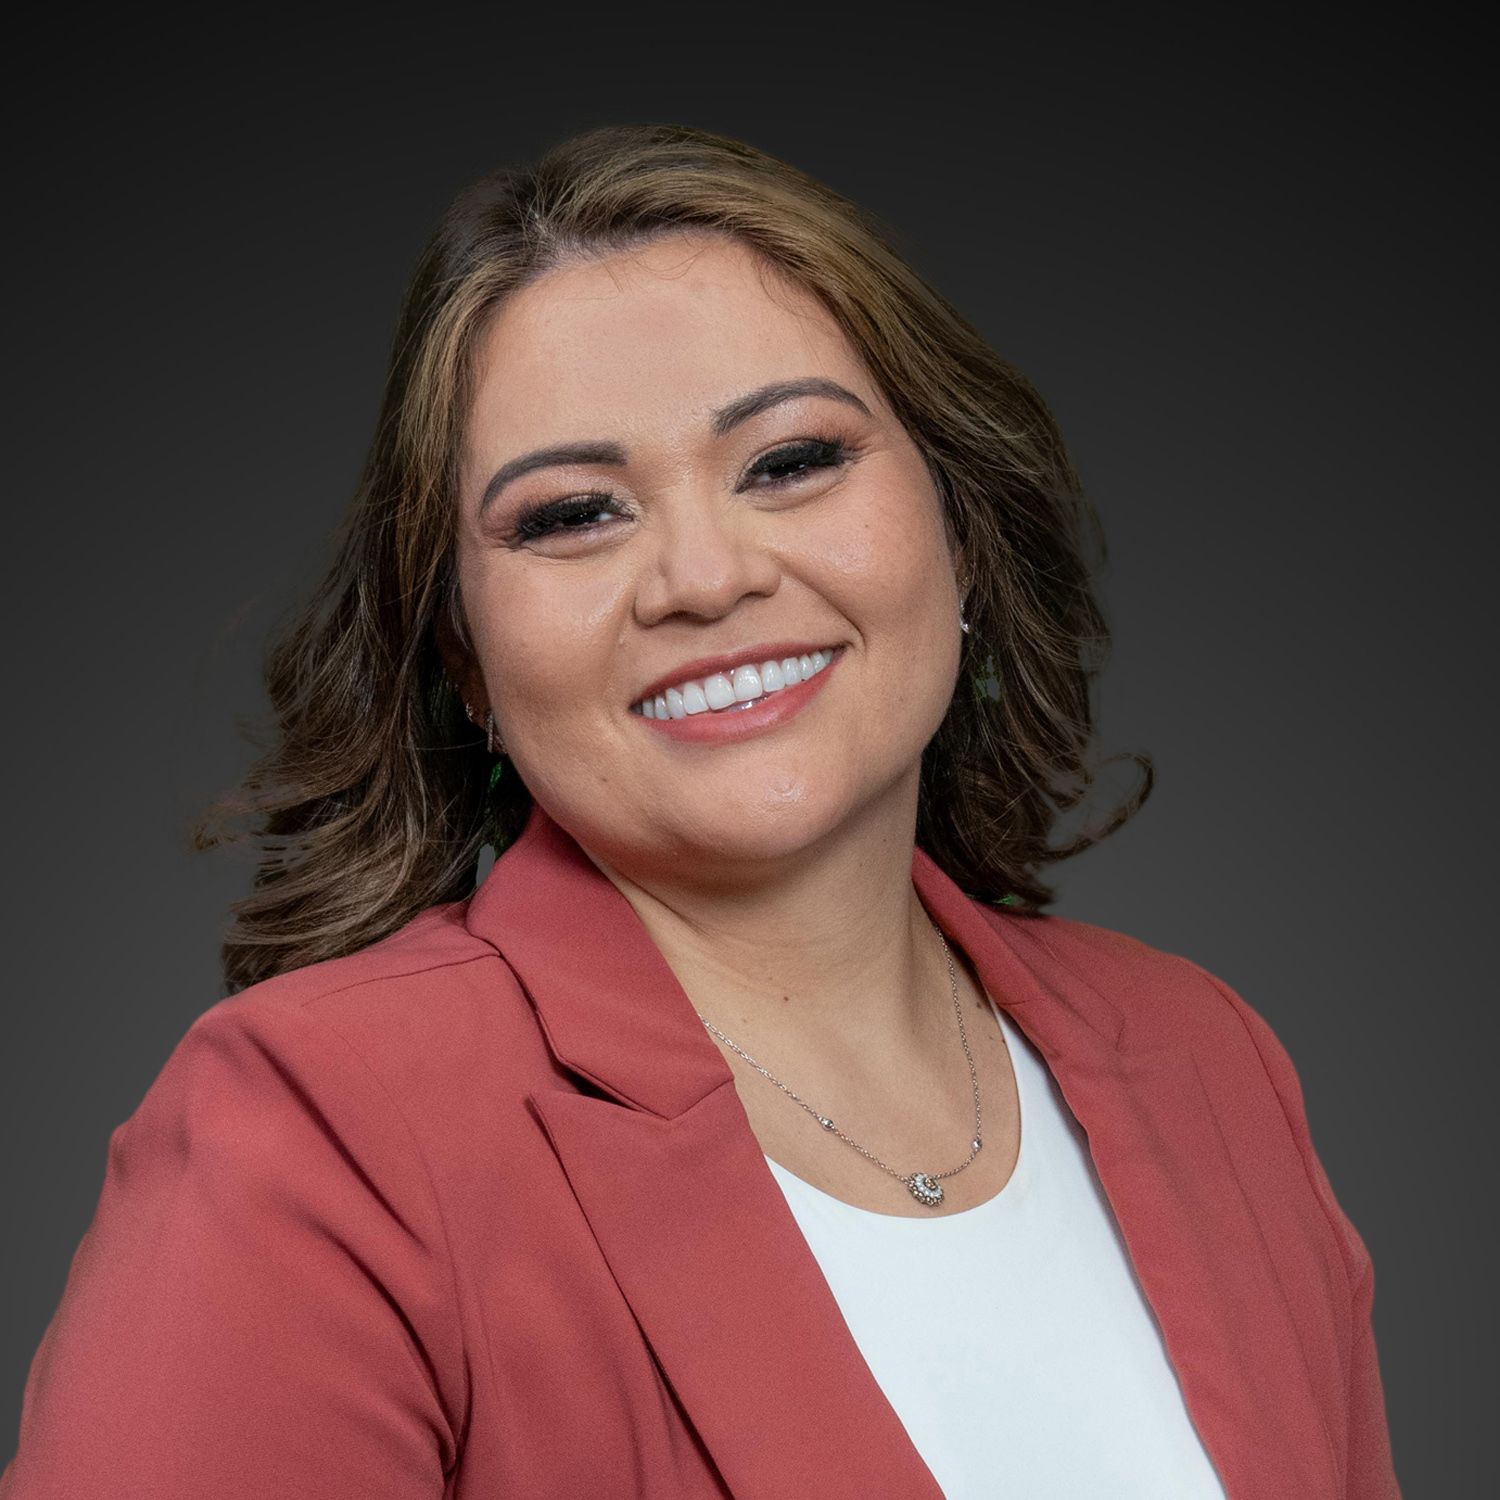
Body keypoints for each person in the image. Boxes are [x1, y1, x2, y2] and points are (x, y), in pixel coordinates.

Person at [0, 123, 1400, 1498]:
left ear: (960, 524)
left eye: (790, 462)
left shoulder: (1206, 1058)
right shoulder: (323, 1136)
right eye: (571, 516)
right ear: (463, 659)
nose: (702, 576)